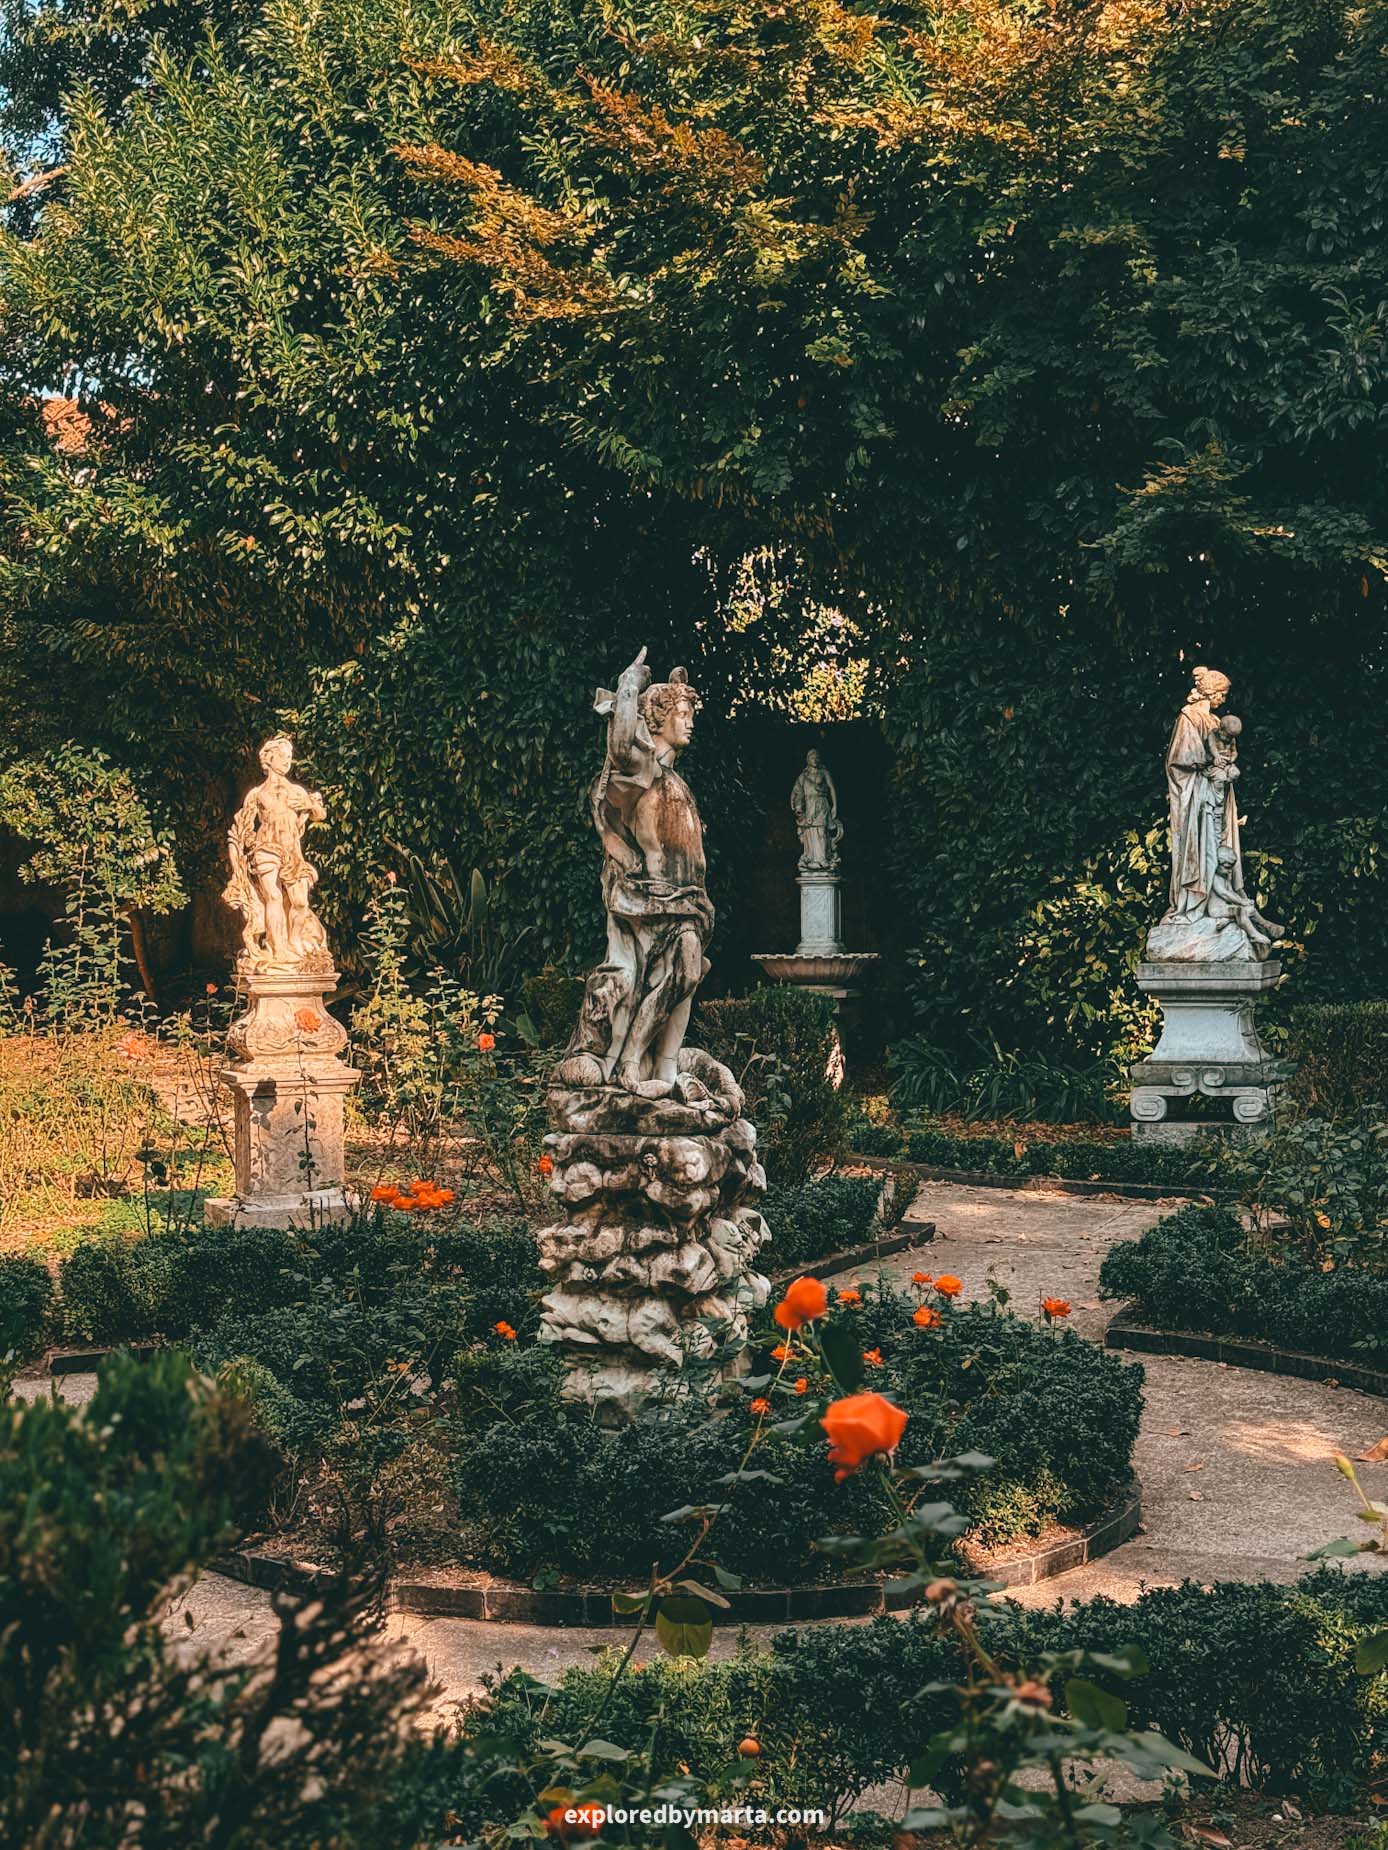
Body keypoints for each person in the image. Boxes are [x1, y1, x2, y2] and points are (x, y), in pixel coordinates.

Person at [560, 650, 713, 1095]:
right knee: (682, 971)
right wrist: (630, 684)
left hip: (688, 897)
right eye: (681, 714)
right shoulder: (644, 768)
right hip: (656, 898)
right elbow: (622, 741)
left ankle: (661, 1070)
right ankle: (631, 1063)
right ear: (658, 719)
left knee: (684, 977)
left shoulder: (674, 780)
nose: (690, 722)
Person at [223, 735, 330, 970]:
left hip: (292, 852)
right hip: (266, 850)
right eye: (282, 756)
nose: (287, 762)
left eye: (289, 757)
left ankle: (293, 942)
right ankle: (278, 948)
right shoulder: (258, 794)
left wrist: (311, 806)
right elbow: (244, 825)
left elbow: (319, 814)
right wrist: (246, 844)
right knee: (273, 896)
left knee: (300, 902)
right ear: (269, 759)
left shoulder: (297, 792)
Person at [790, 749, 843, 871]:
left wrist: (835, 805)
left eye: (817, 757)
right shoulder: (803, 777)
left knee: (821, 830)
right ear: (807, 760)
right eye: (812, 757)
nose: (815, 759)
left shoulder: (824, 773)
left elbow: (831, 788)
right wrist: (796, 806)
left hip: (821, 804)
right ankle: (812, 858)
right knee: (810, 832)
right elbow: (796, 791)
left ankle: (822, 858)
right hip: (809, 806)